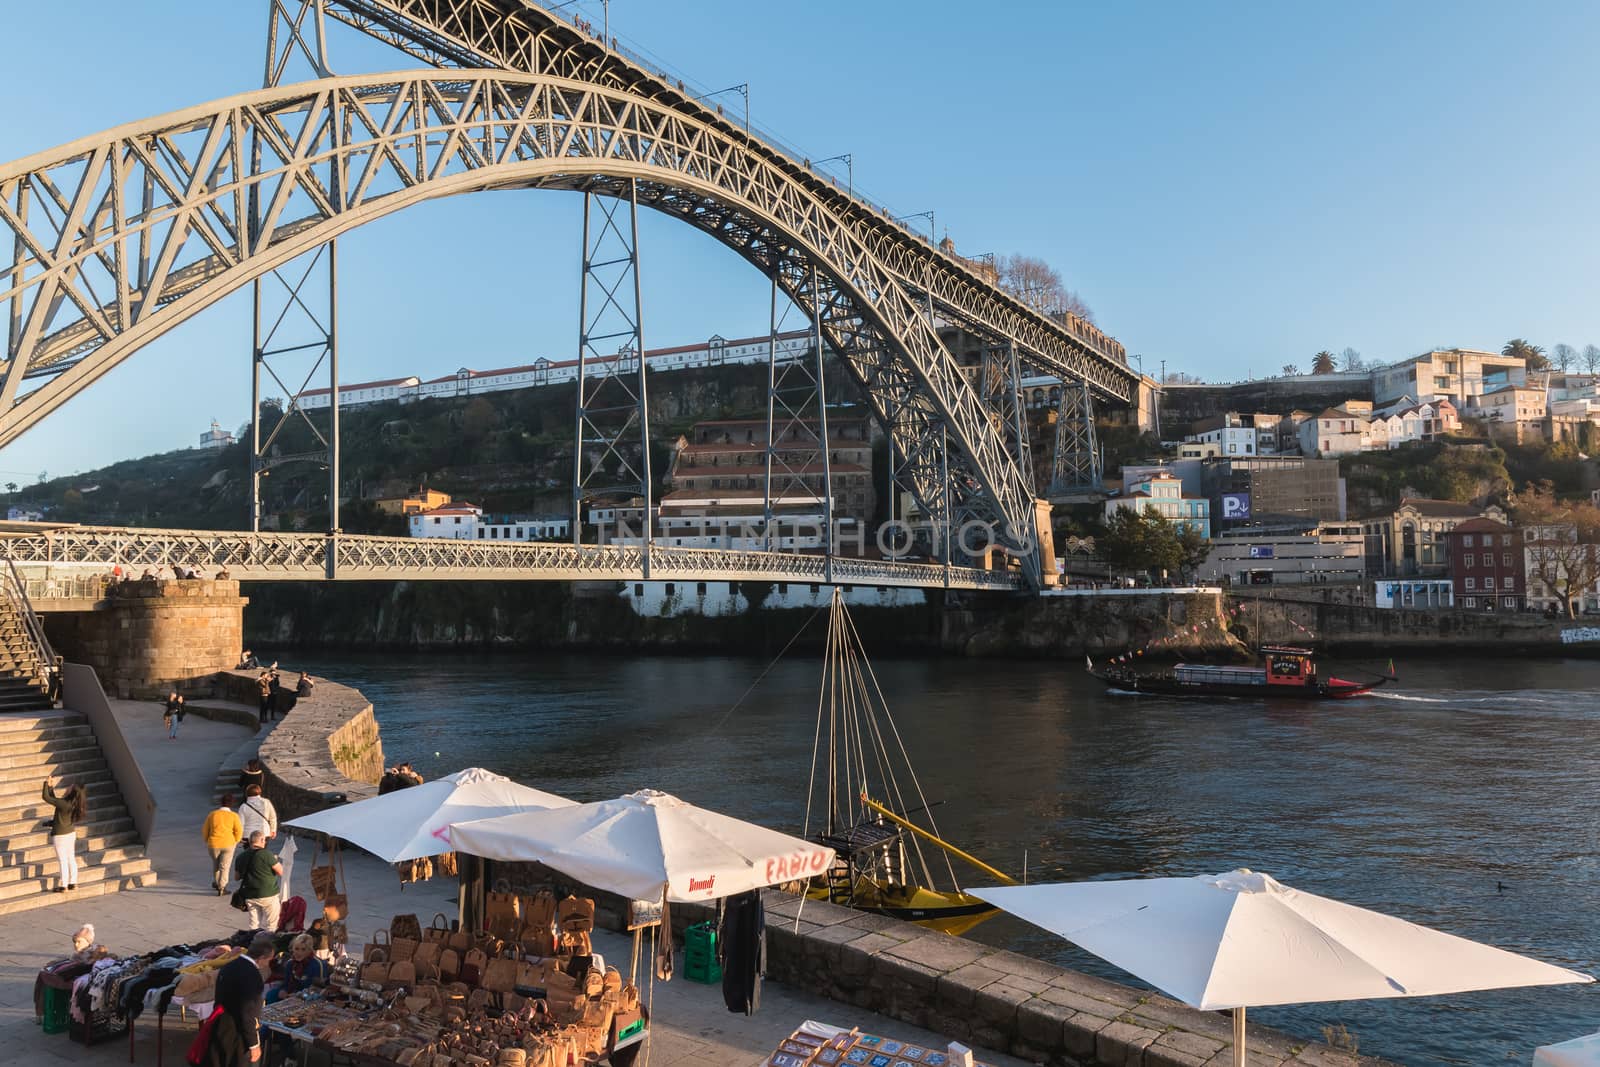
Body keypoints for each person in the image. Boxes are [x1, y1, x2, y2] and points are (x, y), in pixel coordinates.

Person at [214, 934, 275, 1064]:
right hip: (237, 1033)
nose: (268, 963)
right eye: (268, 960)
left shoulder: (229, 966)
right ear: (261, 958)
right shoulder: (253, 976)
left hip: (221, 1025)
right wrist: (254, 1045)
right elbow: (247, 1013)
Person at [40, 778, 85, 892]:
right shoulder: (73, 804)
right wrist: (50, 787)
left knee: (62, 860)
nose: (67, 788)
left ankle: (63, 885)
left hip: (60, 836)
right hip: (70, 833)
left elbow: (47, 798)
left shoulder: (64, 803)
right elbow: (54, 800)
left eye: (70, 787)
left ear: (71, 792)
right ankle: (73, 883)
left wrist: (46, 783)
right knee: (71, 858)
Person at [234, 832, 282, 933]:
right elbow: (281, 871)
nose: (265, 842)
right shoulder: (266, 854)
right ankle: (268, 944)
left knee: (254, 924)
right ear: (261, 841)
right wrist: (275, 860)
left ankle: (252, 942)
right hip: (268, 894)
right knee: (271, 924)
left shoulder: (241, 856)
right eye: (264, 840)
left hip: (250, 895)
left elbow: (236, 877)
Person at [203, 794, 243, 897]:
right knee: (225, 867)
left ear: (221, 802)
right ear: (232, 803)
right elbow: (239, 831)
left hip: (213, 844)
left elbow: (205, 830)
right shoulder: (234, 816)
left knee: (216, 864)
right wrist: (236, 841)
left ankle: (217, 883)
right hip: (228, 843)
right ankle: (222, 887)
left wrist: (207, 840)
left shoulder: (212, 814)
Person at [269, 934, 330, 1001]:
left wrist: (299, 994)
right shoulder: (290, 963)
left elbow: (319, 990)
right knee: (271, 994)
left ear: (309, 950)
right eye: (296, 949)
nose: (299, 953)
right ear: (292, 949)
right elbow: (286, 983)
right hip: (292, 992)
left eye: (303, 949)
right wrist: (283, 990)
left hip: (310, 996)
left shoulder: (318, 964)